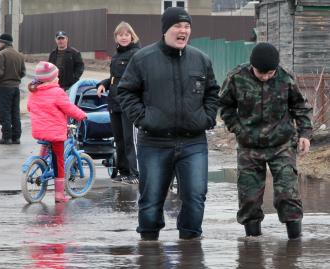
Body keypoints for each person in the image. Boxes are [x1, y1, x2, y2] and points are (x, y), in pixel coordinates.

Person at [118, 7, 220, 241]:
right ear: (166, 30)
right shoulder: (143, 58)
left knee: (195, 196)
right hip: (154, 141)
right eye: (178, 26)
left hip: (193, 142)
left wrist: (207, 117)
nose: (183, 31)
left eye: (187, 27)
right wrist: (143, 117)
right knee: (151, 198)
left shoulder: (200, 59)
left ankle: (191, 248)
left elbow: (213, 92)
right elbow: (125, 91)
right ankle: (149, 246)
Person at [219, 42, 313, 239]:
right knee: (249, 198)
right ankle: (252, 246)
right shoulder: (236, 77)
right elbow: (225, 107)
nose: (266, 77)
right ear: (252, 66)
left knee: (288, 194)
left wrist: (304, 133)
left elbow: (300, 107)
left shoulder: (285, 77)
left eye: (270, 73)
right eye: (261, 73)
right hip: (249, 146)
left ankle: (294, 244)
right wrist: (238, 129)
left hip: (282, 145)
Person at [27, 61, 86, 202]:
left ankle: (41, 163)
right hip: (55, 133)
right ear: (51, 79)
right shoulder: (57, 92)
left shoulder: (34, 92)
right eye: (56, 77)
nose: (58, 79)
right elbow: (69, 108)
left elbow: (29, 107)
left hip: (40, 131)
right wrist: (82, 115)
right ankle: (59, 195)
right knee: (59, 161)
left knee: (47, 147)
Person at [97, 22, 141, 185]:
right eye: (120, 35)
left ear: (132, 36)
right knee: (119, 139)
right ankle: (123, 171)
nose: (123, 37)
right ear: (116, 37)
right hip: (114, 102)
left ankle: (135, 173)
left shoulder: (137, 54)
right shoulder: (115, 56)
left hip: (128, 102)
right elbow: (114, 78)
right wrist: (103, 84)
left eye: (126, 34)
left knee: (130, 140)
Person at [0, 33, 26, 145]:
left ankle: (6, 137)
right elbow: (23, 72)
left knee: (5, 112)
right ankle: (16, 137)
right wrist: (16, 80)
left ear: (3, 43)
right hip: (16, 88)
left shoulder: (1, 55)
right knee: (15, 112)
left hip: (5, 87)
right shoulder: (19, 55)